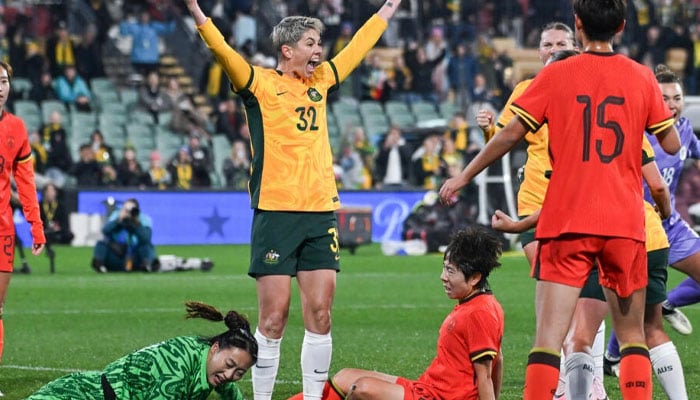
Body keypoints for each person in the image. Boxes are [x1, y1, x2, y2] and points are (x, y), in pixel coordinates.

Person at [438, 1, 681, 398]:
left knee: (548, 338)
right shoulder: (640, 77)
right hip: (624, 222)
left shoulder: (555, 76)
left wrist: (465, 175)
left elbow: (510, 134)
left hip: (567, 220)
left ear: (578, 25)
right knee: (634, 335)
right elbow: (669, 143)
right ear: (621, 25)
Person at [184, 0, 405, 398]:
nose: (319, 51)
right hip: (276, 212)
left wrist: (387, 9)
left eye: (319, 43)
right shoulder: (260, 84)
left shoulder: (321, 80)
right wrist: (196, 11)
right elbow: (222, 51)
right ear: (287, 50)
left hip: (320, 211)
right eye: (310, 43)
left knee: (320, 314)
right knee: (273, 319)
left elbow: (357, 48)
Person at [287, 225, 504, 400]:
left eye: (450, 271)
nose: (442, 277)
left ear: (475, 278)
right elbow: (498, 359)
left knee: (362, 389)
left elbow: (485, 375)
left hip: (437, 396)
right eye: (444, 268)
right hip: (427, 388)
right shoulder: (480, 303)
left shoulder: (478, 313)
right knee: (345, 376)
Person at [604, 64, 700, 371]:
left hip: (669, 224)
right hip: (635, 224)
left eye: (677, 97)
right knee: (637, 301)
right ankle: (610, 356)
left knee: (647, 301)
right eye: (664, 98)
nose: (671, 105)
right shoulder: (633, 129)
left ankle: (670, 301)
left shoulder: (684, 129)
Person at [28, 301, 258, 399]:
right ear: (215, 348)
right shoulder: (176, 370)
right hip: (79, 395)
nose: (230, 376)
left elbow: (231, 393)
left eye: (239, 373)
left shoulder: (213, 364)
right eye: (229, 365)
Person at [0, 61, 46, 397]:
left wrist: (35, 226)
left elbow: (25, 183)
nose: (0, 86)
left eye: (4, 81)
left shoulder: (16, 128)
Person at [91, 198, 156, 273]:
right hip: (118, 252)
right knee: (101, 243)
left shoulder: (144, 219)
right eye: (126, 210)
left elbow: (146, 238)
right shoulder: (116, 215)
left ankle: (146, 265)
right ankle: (99, 264)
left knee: (147, 246)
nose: (128, 213)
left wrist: (136, 224)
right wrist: (119, 221)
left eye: (131, 211)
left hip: (135, 253)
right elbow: (106, 231)